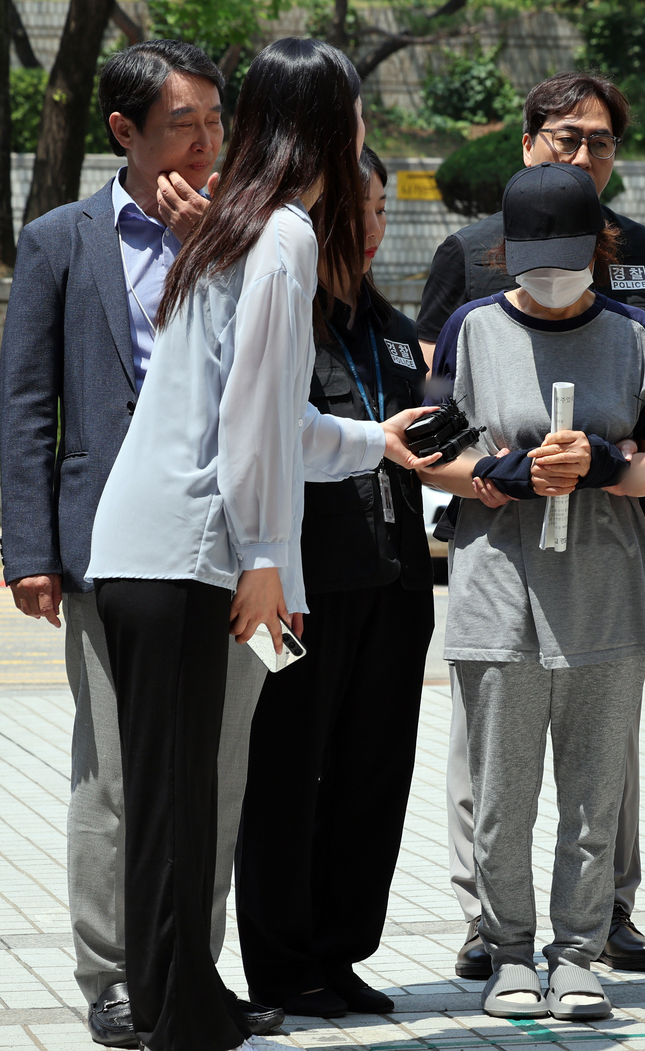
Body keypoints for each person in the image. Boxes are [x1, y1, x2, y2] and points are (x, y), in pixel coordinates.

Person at [83, 39, 439, 1051]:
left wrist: (379, 441)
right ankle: (178, 1009)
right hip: (191, 548)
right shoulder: (280, 235)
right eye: (358, 110)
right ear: (333, 122)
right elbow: (251, 424)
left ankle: (175, 995)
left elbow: (272, 418)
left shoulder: (245, 229)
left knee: (177, 796)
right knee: (175, 798)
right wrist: (265, 561)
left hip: (161, 544)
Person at [0, 39, 282, 1048]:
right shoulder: (60, 241)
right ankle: (114, 973)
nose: (207, 144)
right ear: (123, 131)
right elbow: (30, 403)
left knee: (217, 767)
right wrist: (29, 546)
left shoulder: (250, 232)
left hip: (234, 544)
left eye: (216, 121)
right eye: (182, 125)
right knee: (116, 773)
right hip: (110, 555)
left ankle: (186, 974)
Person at [417, 69, 645, 978]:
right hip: (500, 577)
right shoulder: (470, 325)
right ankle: (505, 941)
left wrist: (608, 468)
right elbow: (425, 445)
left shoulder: (638, 332)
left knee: (595, 787)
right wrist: (496, 474)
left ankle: (579, 947)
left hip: (606, 579)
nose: (557, 274)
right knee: (501, 785)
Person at [234, 146, 435, 1018]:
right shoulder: (281, 306)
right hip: (306, 584)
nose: (372, 225)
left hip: (397, 583)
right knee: (288, 773)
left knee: (373, 774)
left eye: (383, 209)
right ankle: (281, 963)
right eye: (357, 208)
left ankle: (341, 949)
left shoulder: (391, 325)